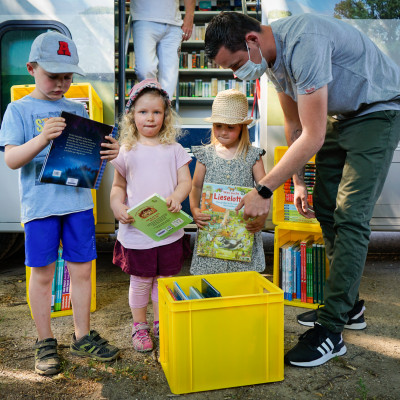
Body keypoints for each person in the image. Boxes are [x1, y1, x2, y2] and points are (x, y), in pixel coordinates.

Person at [204, 12, 400, 367]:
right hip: (343, 117)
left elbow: (313, 135)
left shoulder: (303, 42)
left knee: (351, 216)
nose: (237, 75)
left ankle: (331, 330)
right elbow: (296, 125)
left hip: (378, 111)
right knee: (325, 206)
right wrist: (296, 183)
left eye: (235, 65)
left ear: (251, 41)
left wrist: (264, 190)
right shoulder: (272, 61)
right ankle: (350, 306)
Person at [0, 31, 121, 376]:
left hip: (79, 203)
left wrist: (108, 153)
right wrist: (41, 138)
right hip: (40, 208)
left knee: (82, 270)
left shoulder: (75, 108)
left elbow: (85, 157)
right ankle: (44, 340)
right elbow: (12, 160)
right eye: (53, 76)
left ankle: (82, 335)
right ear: (31, 69)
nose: (61, 83)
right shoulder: (18, 110)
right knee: (42, 274)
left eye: (67, 76)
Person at [110, 79, 192, 352]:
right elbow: (118, 187)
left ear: (166, 115)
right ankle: (139, 325)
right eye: (143, 112)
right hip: (137, 231)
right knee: (141, 280)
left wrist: (177, 197)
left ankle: (161, 320)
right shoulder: (126, 151)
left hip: (167, 229)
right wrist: (117, 208)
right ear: (132, 115)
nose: (150, 118)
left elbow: (185, 183)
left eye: (157, 112)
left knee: (165, 280)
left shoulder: (175, 149)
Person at [190, 89, 267, 275]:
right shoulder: (205, 155)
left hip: (243, 229)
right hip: (212, 231)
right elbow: (196, 186)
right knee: (211, 278)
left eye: (230, 127)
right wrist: (194, 209)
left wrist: (263, 218)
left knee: (241, 279)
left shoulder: (253, 156)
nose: (223, 132)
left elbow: (265, 189)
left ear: (242, 127)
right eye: (218, 126)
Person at [130, 0, 195, 99]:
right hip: (144, 17)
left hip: (174, 22)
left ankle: (164, 111)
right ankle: (150, 107)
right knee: (145, 69)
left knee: (170, 78)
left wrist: (189, 16)